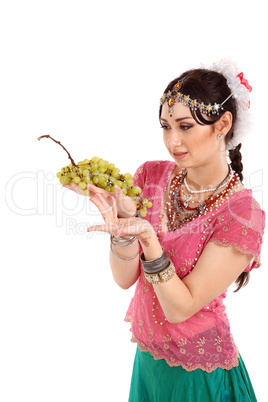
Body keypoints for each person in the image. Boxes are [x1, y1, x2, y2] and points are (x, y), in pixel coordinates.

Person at [66, 59, 265, 401]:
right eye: (165, 126)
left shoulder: (242, 215)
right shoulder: (152, 177)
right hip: (149, 363)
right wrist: (123, 231)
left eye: (185, 126)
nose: (172, 141)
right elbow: (125, 278)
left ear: (223, 124)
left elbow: (180, 308)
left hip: (200, 376)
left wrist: (148, 238)